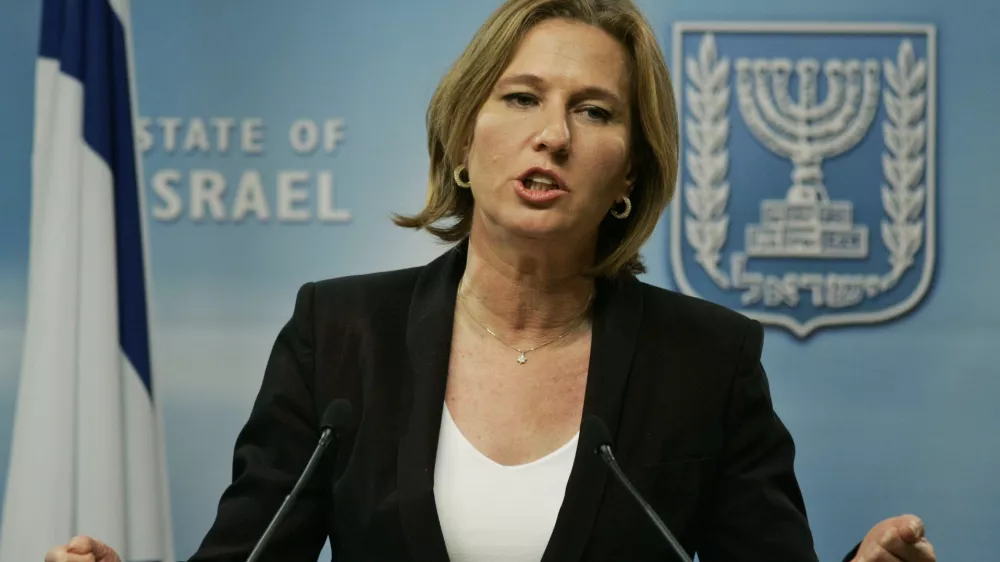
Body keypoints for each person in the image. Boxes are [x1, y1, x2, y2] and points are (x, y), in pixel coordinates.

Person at [45, 0, 937, 561]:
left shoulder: (706, 360)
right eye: (521, 97)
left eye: (593, 111)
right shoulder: (340, 332)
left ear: (629, 177)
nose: (553, 134)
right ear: (464, 139)